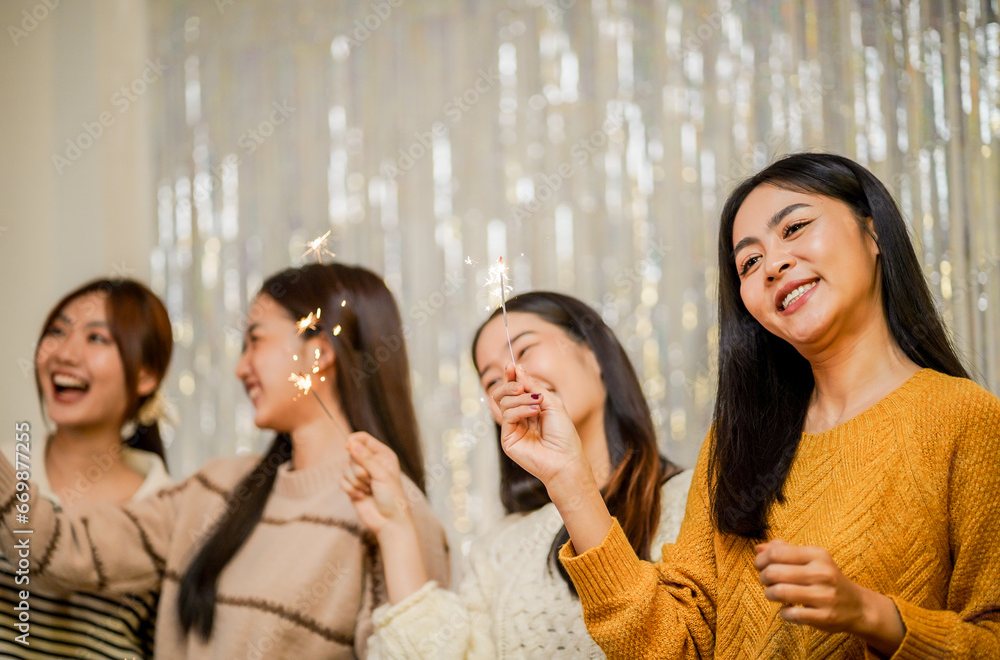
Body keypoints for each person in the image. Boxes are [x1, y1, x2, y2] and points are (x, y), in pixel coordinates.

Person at [492, 153, 1000, 657]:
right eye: (749, 262)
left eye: (796, 227)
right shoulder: (736, 442)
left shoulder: (965, 419)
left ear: (872, 234)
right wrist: (567, 478)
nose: (774, 264)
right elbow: (669, 646)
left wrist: (872, 616)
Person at [0, 262, 449, 659]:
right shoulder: (214, 489)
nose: (240, 367)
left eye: (255, 341)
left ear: (318, 353)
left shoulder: (396, 516)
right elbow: (63, 551)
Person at [342, 291, 692, 658]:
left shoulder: (693, 500)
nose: (512, 377)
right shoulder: (499, 548)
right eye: (491, 382)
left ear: (594, 354)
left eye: (524, 351)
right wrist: (394, 528)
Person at [0, 278, 173, 659]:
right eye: (58, 331)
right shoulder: (9, 468)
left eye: (97, 339)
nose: (65, 352)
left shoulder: (167, 511)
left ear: (146, 374)